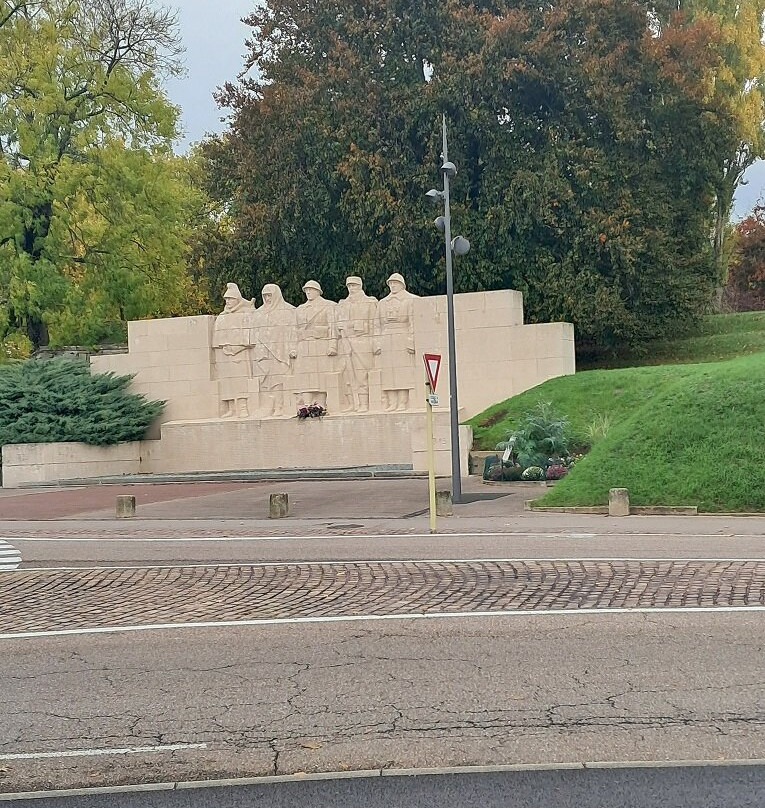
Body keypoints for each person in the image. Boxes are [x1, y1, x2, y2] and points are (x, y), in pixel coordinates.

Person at [290, 280, 338, 410]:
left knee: (321, 374)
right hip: (304, 345)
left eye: (311, 290)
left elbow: (332, 327)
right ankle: (307, 404)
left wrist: (332, 345)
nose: (308, 292)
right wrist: (293, 348)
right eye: (306, 290)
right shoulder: (300, 309)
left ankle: (321, 404)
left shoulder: (328, 306)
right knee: (305, 374)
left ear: (318, 291)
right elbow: (294, 330)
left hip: (320, 343)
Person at [211, 283, 256, 419]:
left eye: (231, 299)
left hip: (240, 353)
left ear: (237, 299)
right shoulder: (222, 316)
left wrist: (238, 347)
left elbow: (250, 337)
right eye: (226, 299)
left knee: (240, 381)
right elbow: (217, 340)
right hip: (225, 354)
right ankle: (231, 408)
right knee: (227, 382)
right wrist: (225, 347)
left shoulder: (246, 314)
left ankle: (242, 407)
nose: (228, 302)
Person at [374, 273, 417, 411]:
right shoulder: (382, 303)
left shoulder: (410, 300)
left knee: (403, 371)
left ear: (402, 284)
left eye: (395, 283)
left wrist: (411, 340)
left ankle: (403, 401)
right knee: (388, 372)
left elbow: (413, 322)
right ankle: (392, 402)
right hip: (386, 338)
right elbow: (376, 324)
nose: (392, 286)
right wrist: (377, 342)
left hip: (402, 336)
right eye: (390, 283)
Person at [250, 283, 295, 417]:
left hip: (279, 351)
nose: (268, 299)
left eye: (270, 295)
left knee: (278, 379)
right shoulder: (258, 313)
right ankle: (267, 405)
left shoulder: (288, 310)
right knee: (264, 379)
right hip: (262, 352)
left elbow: (293, 331)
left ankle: (279, 406)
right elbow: (253, 332)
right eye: (265, 296)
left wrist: (291, 348)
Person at [337, 276, 377, 412]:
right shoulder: (343, 304)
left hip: (363, 341)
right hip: (346, 341)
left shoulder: (369, 302)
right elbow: (338, 324)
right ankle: (353, 403)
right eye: (349, 286)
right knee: (347, 375)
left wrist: (374, 343)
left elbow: (374, 324)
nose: (351, 289)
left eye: (354, 285)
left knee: (361, 374)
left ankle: (364, 403)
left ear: (360, 286)